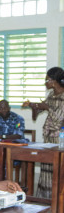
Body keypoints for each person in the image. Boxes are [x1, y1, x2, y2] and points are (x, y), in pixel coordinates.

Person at [23, 67, 64, 199]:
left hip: (59, 137)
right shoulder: (51, 95)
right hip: (47, 136)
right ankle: (45, 199)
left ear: (54, 81)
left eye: (47, 80)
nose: (45, 83)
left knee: (58, 167)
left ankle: (58, 199)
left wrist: (46, 107)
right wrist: (34, 107)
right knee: (47, 166)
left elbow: (60, 117)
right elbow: (38, 114)